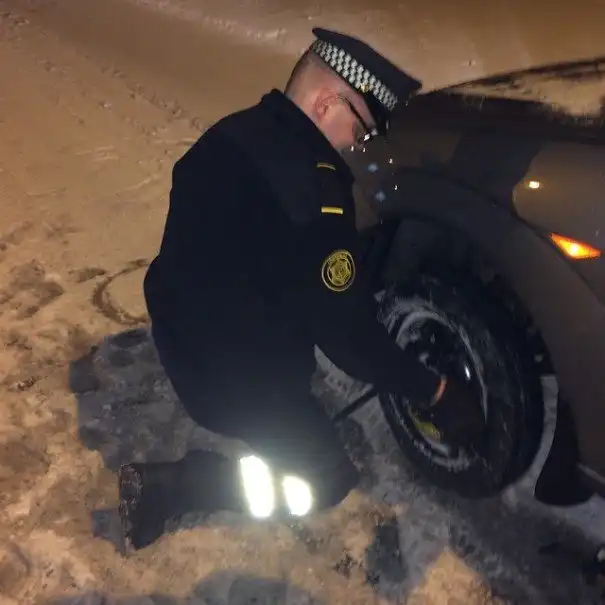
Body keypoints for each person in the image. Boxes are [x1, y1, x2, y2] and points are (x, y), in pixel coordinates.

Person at [118, 27, 485, 551]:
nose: (357, 145)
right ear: (326, 102)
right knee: (323, 482)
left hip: (178, 331)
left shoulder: (232, 133)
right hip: (230, 385)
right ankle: (181, 484)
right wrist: (436, 391)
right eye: (361, 129)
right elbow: (349, 339)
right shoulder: (315, 195)